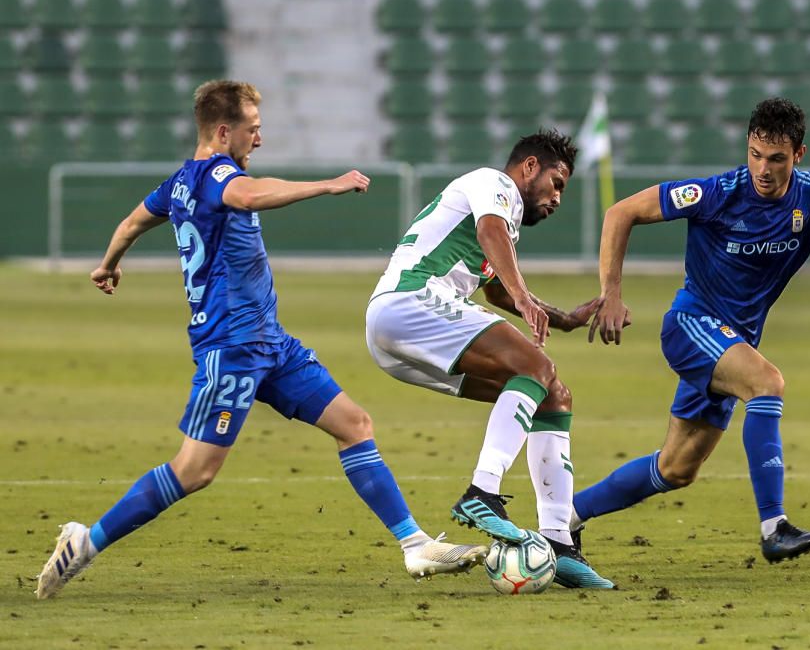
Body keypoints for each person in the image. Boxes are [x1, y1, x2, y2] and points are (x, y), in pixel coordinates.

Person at [35, 80, 485, 600]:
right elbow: (246, 193)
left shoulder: (180, 182)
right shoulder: (215, 174)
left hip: (271, 344)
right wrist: (327, 185)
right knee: (195, 471)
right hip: (231, 349)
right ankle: (84, 544)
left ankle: (415, 544)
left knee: (354, 423)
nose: (259, 139)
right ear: (224, 132)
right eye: (253, 129)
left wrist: (107, 265)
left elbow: (134, 221)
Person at [576, 98, 810, 563]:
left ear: (799, 155)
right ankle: (774, 527)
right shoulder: (716, 193)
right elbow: (620, 213)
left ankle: (562, 519)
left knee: (676, 468)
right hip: (692, 326)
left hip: (733, 343)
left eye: (776, 159)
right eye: (755, 155)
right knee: (767, 383)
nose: (763, 169)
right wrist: (612, 293)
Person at [365, 129, 614, 589]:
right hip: (411, 300)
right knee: (536, 368)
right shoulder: (494, 187)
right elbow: (491, 233)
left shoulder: (499, 215)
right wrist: (524, 297)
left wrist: (562, 320)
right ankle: (483, 491)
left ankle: (558, 544)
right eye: (557, 183)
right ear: (529, 167)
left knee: (552, 396)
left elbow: (494, 284)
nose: (558, 198)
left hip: (397, 332)